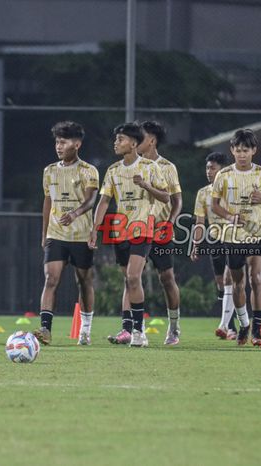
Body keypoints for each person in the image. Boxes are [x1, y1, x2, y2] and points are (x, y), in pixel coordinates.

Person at [90, 122, 169, 348]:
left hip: (143, 229)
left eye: (121, 139)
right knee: (128, 280)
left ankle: (138, 331)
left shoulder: (150, 168)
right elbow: (104, 201)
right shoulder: (113, 170)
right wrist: (95, 229)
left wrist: (146, 185)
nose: (116, 143)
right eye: (116, 139)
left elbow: (165, 197)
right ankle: (130, 329)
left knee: (134, 277)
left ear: (134, 143)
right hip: (120, 230)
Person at [33, 122, 99, 346]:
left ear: (77, 144)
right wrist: (44, 233)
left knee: (84, 281)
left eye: (63, 142)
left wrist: (75, 213)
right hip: (56, 233)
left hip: (80, 235)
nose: (58, 146)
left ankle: (85, 331)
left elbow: (91, 200)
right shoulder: (50, 171)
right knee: (51, 279)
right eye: (57, 142)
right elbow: (48, 202)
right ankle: (45, 330)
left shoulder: (88, 171)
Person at [211, 129, 261, 347]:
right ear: (232, 151)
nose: (242, 154)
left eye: (246, 150)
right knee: (238, 283)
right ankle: (244, 324)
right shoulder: (224, 176)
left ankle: (258, 328)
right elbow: (214, 205)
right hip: (233, 236)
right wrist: (230, 216)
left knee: (255, 278)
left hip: (257, 232)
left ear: (254, 151)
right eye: (238, 150)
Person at [137, 121, 183, 345]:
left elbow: (177, 200)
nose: (136, 141)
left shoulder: (167, 167)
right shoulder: (131, 165)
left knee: (166, 278)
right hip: (136, 230)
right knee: (133, 278)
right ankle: (135, 329)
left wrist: (171, 222)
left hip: (160, 230)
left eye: (141, 137)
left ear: (152, 140)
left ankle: (174, 327)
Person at [190, 151, 238, 340]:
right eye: (207, 168)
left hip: (234, 239)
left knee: (229, 279)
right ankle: (233, 324)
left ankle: (228, 326)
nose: (209, 171)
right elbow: (200, 222)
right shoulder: (203, 193)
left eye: (213, 168)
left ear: (222, 170)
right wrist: (195, 245)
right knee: (221, 282)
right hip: (215, 240)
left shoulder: (233, 188)